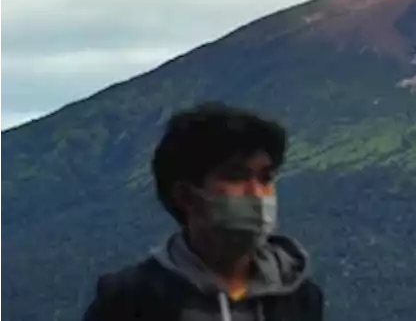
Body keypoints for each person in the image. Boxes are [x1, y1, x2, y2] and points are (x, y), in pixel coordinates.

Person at [81, 102, 324, 321]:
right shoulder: (132, 299)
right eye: (236, 176)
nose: (257, 193)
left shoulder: (298, 296)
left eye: (265, 178)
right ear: (186, 195)